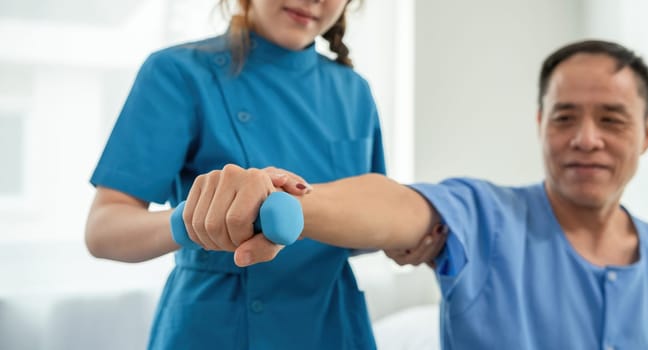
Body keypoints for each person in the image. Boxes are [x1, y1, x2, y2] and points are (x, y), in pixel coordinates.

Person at [183, 40, 648, 349]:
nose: (585, 138)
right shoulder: (488, 218)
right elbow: (395, 207)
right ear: (540, 123)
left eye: (612, 119)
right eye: (565, 116)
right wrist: (288, 203)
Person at [85, 0, 442, 348]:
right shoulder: (178, 72)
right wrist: (191, 220)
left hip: (333, 326)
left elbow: (361, 227)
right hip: (217, 329)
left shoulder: (354, 91)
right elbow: (103, 230)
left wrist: (401, 242)